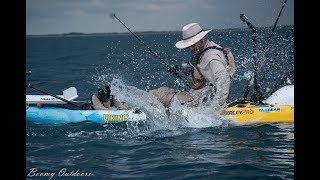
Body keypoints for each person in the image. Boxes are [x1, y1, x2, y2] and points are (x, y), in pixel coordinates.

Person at [149, 22, 235, 111]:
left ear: (203, 39)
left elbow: (223, 79)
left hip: (201, 101)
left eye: (193, 45)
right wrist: (180, 68)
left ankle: (144, 110)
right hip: (197, 96)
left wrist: (215, 108)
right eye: (188, 46)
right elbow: (200, 67)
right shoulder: (206, 49)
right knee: (161, 91)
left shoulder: (211, 58)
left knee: (161, 95)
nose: (190, 49)